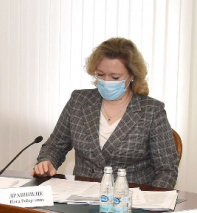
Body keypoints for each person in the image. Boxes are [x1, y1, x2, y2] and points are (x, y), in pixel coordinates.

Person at [33, 38, 179, 188]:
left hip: (129, 198)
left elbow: (167, 170)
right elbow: (55, 146)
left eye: (115, 77)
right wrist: (47, 161)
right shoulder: (79, 101)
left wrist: (149, 199)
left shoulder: (152, 111)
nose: (106, 81)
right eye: (101, 74)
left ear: (132, 76)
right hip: (81, 194)